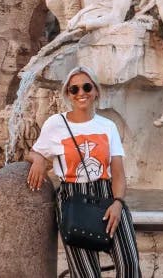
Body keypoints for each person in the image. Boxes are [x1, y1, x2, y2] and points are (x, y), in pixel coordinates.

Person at [27, 66, 140, 278]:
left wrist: (118, 202)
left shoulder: (108, 126)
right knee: (86, 274)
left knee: (130, 266)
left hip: (108, 197)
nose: (81, 93)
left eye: (87, 87)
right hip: (73, 200)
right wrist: (39, 159)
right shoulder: (56, 124)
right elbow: (33, 152)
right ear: (68, 94)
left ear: (96, 91)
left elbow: (117, 172)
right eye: (74, 89)